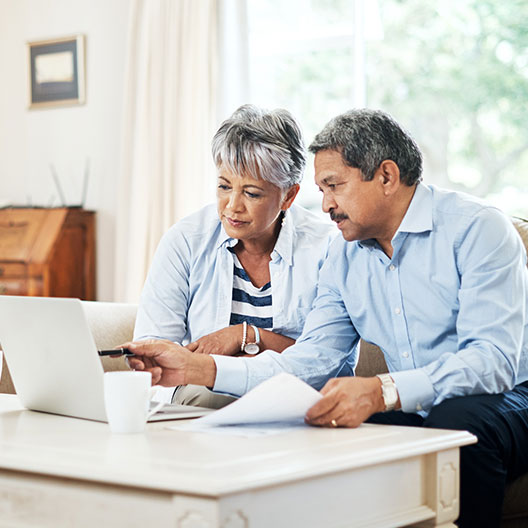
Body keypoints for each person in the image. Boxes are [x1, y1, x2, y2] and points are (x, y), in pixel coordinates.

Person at [125, 109, 528, 527]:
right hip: (420, 402)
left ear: (386, 177)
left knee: (454, 422)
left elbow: (492, 363)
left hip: (513, 394)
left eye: (334, 186)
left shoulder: (479, 229)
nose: (326, 205)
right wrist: (201, 367)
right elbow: (313, 358)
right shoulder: (343, 254)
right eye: (322, 189)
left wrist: (381, 391)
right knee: (332, 429)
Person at [133, 104, 340, 408]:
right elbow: (153, 349)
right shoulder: (186, 240)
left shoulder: (326, 249)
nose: (232, 206)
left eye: (252, 193)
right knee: (208, 396)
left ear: (288, 196)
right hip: (202, 399)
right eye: (224, 186)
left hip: (291, 399)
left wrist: (245, 336)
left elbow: (328, 362)